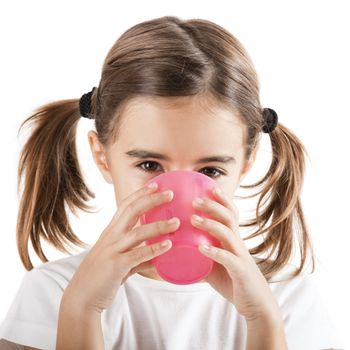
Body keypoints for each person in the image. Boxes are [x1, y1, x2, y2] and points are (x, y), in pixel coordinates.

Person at [0, 15, 344, 350]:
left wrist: (263, 320)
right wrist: (81, 311)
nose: (172, 194)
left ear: (246, 163)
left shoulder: (286, 297)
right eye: (149, 164)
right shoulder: (54, 294)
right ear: (102, 156)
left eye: (210, 171)